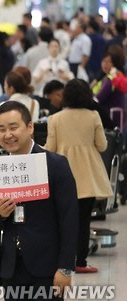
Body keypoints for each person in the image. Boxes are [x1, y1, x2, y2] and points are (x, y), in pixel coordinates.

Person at [0, 101, 78, 301]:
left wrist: (65, 268)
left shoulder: (55, 165)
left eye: (14, 127)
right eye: (2, 129)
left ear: (30, 127)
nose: (8, 135)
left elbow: (69, 219)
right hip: (10, 265)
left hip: (47, 265)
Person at [45, 79, 112, 273]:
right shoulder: (93, 116)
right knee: (83, 221)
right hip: (88, 175)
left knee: (60, 219)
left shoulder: (55, 119)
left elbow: (51, 149)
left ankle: (59, 261)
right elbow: (102, 146)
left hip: (62, 174)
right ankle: (80, 262)